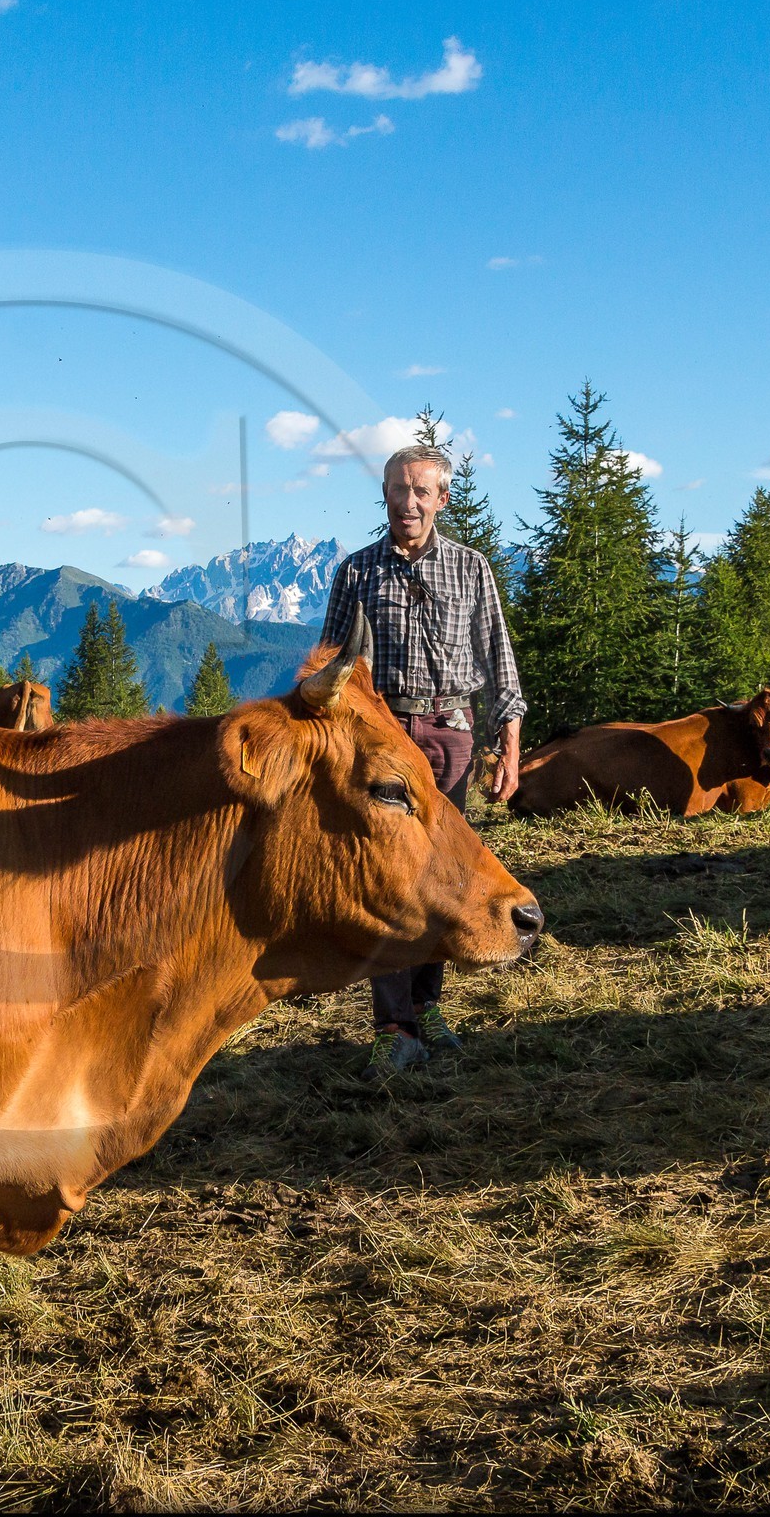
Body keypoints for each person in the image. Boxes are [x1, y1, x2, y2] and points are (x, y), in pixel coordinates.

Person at [319, 443, 526, 1081]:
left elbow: (499, 659)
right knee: (388, 878)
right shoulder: (356, 572)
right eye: (397, 490)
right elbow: (329, 665)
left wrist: (510, 744)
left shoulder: (472, 569)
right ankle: (392, 1027)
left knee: (441, 873)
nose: (408, 503)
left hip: (451, 733)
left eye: (421, 492)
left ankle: (428, 1008)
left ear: (441, 499)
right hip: (383, 738)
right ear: (383, 494)